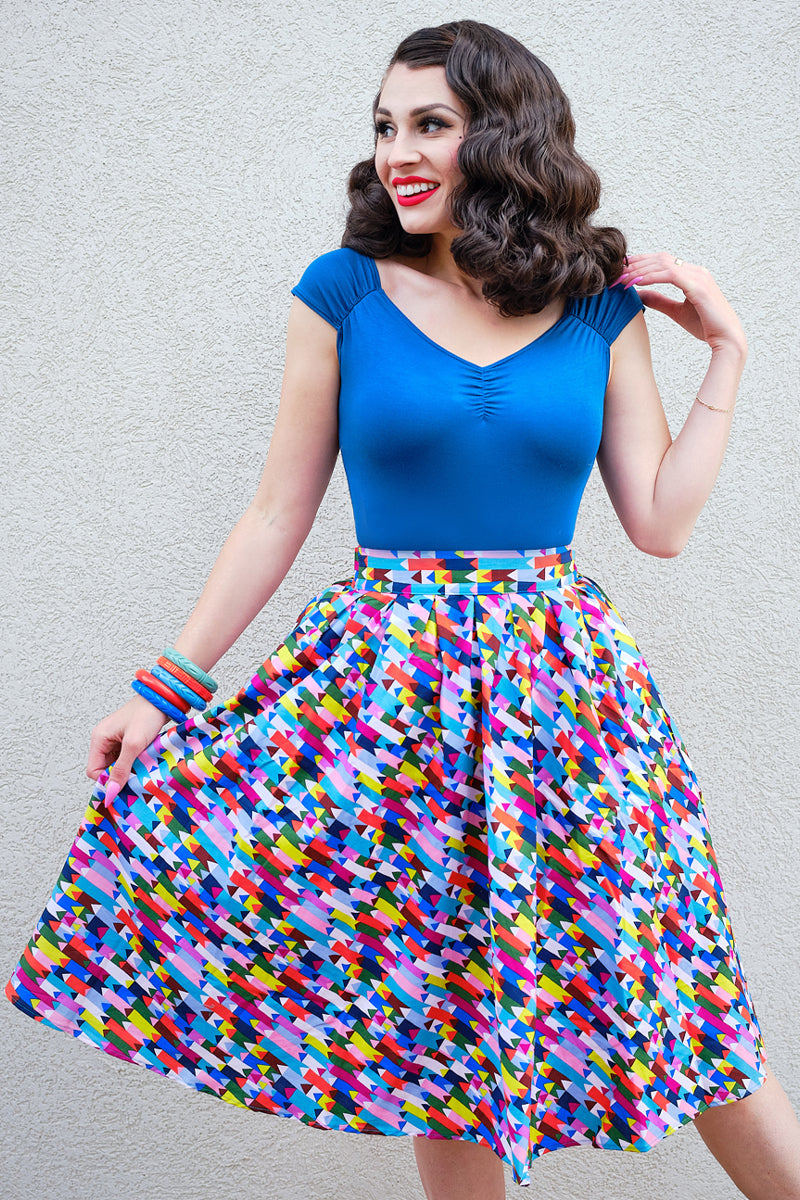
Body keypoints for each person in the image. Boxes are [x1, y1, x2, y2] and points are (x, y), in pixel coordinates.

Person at [6, 18, 800, 1200]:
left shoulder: (596, 303)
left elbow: (657, 522)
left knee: (673, 985)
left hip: (562, 701)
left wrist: (726, 354)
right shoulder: (341, 292)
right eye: (384, 125)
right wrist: (161, 686)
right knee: (438, 1023)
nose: (397, 151)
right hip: (381, 700)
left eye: (430, 123)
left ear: (506, 133)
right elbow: (276, 512)